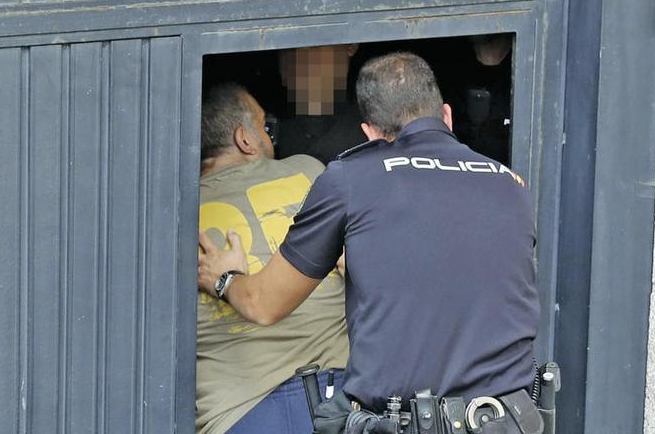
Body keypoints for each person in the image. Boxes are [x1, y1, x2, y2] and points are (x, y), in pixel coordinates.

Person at [198, 54, 539, 432]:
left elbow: (264, 303)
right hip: (507, 418)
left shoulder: (351, 181)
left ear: (370, 133)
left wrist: (223, 278)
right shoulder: (511, 185)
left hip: (414, 418)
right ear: (447, 116)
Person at [195, 83, 349, 434]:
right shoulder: (307, 172)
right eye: (264, 127)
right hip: (338, 397)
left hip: (236, 411)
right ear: (244, 140)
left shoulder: (171, 211)